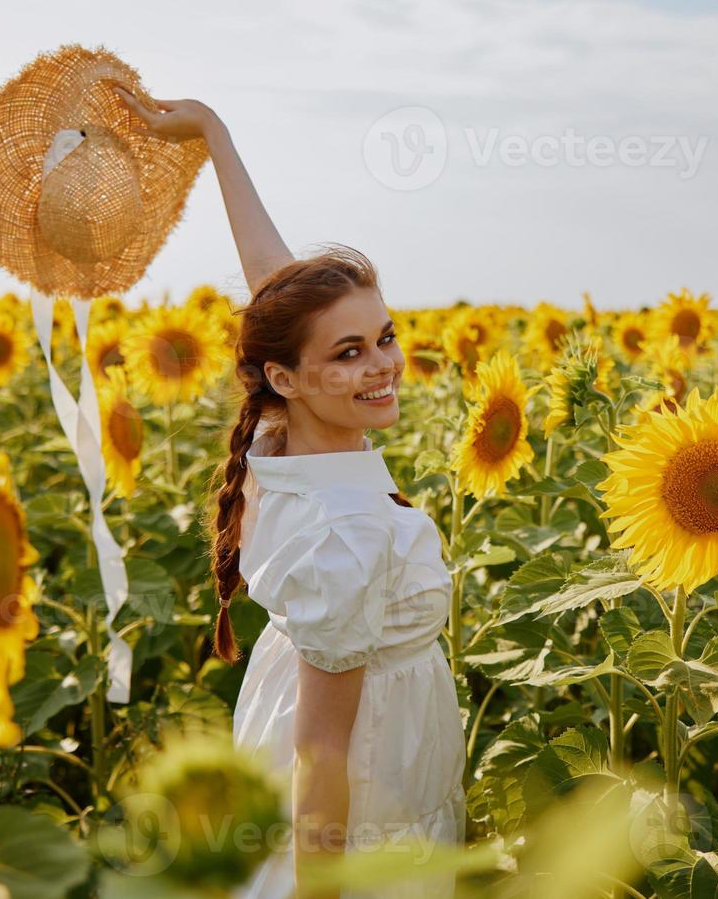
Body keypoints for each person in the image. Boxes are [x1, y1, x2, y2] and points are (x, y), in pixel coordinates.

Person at [116, 89, 465, 899]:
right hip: (363, 788)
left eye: (384, 337)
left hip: (313, 733)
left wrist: (214, 135)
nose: (380, 365)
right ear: (288, 376)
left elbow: (274, 291)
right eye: (348, 353)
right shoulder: (343, 538)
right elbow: (324, 758)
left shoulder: (285, 435)